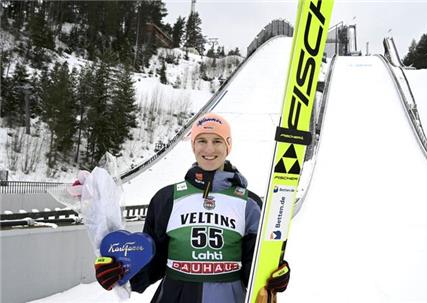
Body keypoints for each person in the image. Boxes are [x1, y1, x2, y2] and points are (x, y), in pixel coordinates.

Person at [94, 113, 289, 303]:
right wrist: (119, 270)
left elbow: (254, 268)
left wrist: (274, 276)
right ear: (193, 145)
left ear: (228, 146)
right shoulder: (167, 198)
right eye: (202, 140)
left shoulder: (250, 203)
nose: (209, 148)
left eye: (217, 141)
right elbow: (151, 264)